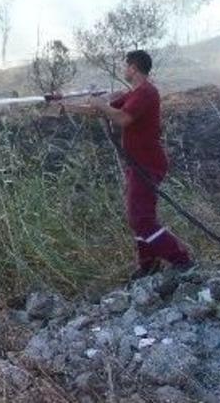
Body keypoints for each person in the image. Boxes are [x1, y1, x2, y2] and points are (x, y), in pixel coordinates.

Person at [70, 50, 193, 279]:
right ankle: (149, 265)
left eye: (126, 66)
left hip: (147, 164)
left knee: (141, 218)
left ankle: (181, 259)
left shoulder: (146, 92)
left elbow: (123, 118)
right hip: (137, 164)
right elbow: (99, 112)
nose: (124, 70)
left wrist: (101, 103)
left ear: (133, 67)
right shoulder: (134, 94)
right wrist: (65, 106)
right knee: (140, 217)